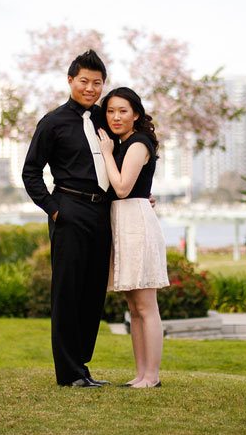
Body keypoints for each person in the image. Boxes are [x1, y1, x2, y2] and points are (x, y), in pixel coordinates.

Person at [22, 50, 113, 388]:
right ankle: (69, 373)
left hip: (103, 213)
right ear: (70, 80)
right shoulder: (53, 122)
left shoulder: (106, 119)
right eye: (84, 81)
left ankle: (82, 367)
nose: (91, 88)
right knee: (68, 293)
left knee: (92, 294)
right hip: (70, 211)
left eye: (97, 83)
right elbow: (31, 172)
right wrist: (55, 209)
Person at [97, 87, 168, 389]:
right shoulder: (123, 143)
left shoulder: (138, 142)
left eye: (123, 111)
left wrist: (105, 153)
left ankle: (151, 376)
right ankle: (140, 374)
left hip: (135, 223)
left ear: (136, 114)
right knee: (134, 308)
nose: (116, 117)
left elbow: (124, 187)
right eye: (111, 111)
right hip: (123, 221)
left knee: (145, 306)